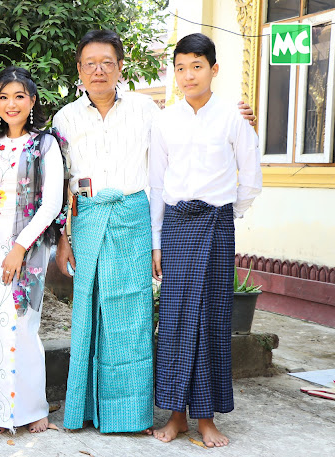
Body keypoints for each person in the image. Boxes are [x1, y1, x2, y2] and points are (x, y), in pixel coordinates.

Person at [52, 29, 256, 435]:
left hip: (134, 217)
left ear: (120, 67)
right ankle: (85, 408)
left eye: (107, 62)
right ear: (79, 69)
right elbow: (62, 182)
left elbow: (186, 152)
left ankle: (130, 414)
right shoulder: (64, 119)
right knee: (89, 312)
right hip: (89, 217)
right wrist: (64, 237)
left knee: (133, 317)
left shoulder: (148, 112)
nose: (98, 70)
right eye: (90, 63)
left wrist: (243, 119)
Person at [149, 33, 262, 448]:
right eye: (180, 68)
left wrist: (228, 214)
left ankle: (206, 417)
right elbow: (156, 184)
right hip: (176, 227)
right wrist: (156, 241)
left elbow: (251, 177)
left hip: (216, 224)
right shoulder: (165, 120)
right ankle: (176, 416)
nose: (188, 75)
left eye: (196, 66)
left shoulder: (233, 117)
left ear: (213, 69)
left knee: (212, 318)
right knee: (175, 320)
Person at [0, 67, 65, 434]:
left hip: (29, 242)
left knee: (23, 323)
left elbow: (51, 203)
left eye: (19, 96)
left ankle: (32, 409)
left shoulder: (45, 144)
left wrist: (19, 247)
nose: (11, 104)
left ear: (32, 101)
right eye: (4, 97)